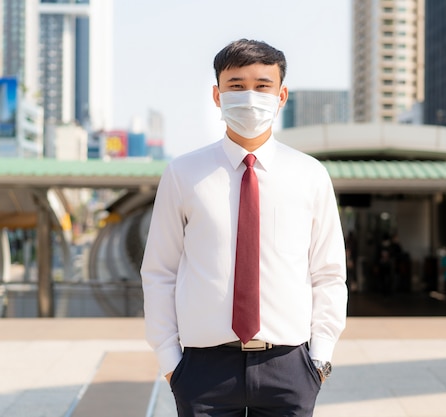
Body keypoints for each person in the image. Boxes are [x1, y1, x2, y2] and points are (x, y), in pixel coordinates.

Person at [141, 39, 348, 417]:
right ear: (217, 95)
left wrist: (319, 360)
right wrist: (171, 363)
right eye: (236, 85)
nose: (249, 96)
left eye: (262, 85)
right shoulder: (183, 174)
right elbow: (159, 271)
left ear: (281, 95)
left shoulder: (310, 175)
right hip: (203, 370)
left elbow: (329, 273)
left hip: (289, 367)